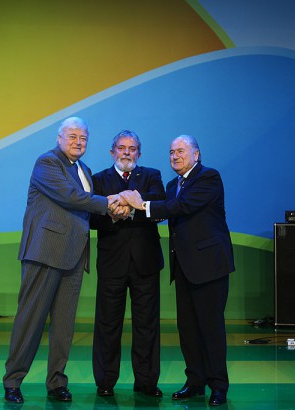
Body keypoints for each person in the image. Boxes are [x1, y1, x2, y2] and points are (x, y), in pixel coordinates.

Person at [2, 117, 121, 404]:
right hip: (45, 253)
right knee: (31, 320)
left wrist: (117, 211)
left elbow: (84, 209)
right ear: (59, 138)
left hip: (74, 256)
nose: (78, 142)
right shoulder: (47, 162)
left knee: (64, 326)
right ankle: (13, 381)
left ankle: (57, 382)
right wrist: (110, 202)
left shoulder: (84, 170)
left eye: (83, 138)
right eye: (73, 136)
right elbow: (70, 197)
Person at [119, 135, 234, 407]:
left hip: (209, 267)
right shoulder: (173, 185)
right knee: (188, 329)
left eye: (181, 151)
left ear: (196, 154)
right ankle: (195, 381)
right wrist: (125, 205)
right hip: (183, 267)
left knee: (211, 328)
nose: (175, 156)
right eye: (171, 152)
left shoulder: (208, 177)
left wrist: (140, 204)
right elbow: (162, 209)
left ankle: (218, 385)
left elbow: (182, 207)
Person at [90, 130, 166, 398]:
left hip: (146, 263)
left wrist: (130, 207)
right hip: (111, 263)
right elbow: (91, 218)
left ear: (139, 154)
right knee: (108, 325)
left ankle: (146, 382)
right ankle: (105, 381)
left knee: (147, 325)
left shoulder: (152, 176)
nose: (126, 152)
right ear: (112, 152)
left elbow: (160, 206)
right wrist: (113, 215)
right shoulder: (98, 179)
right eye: (122, 148)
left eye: (132, 149)